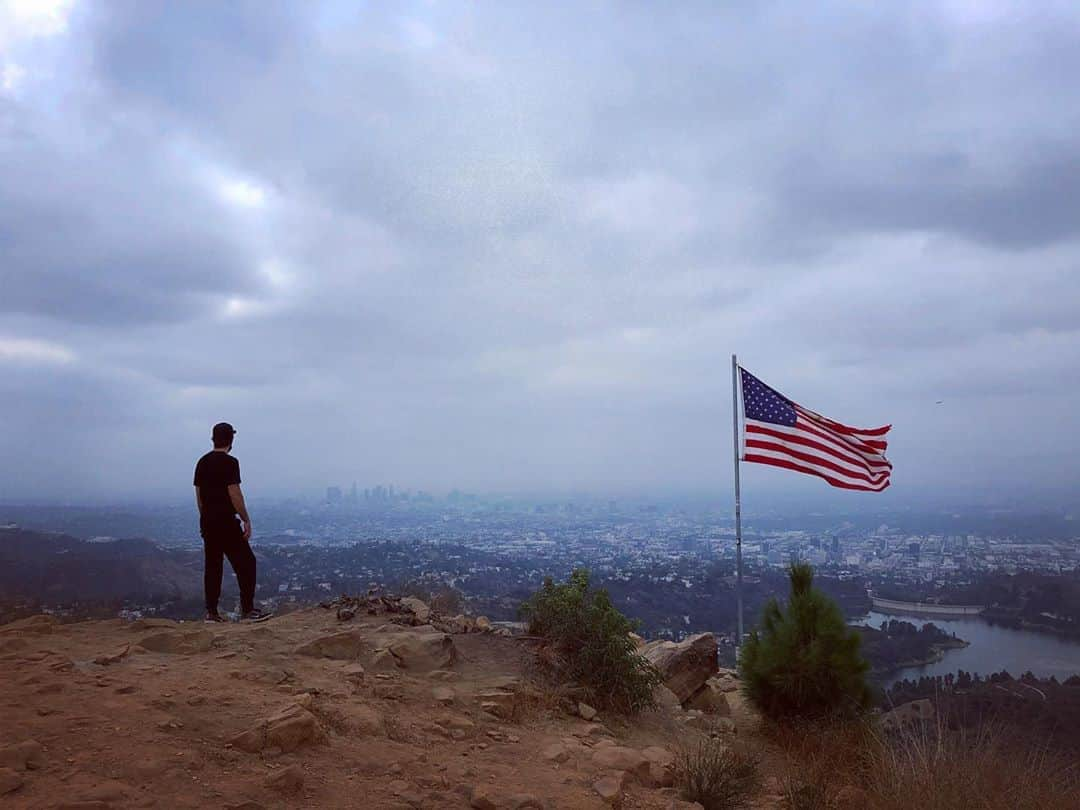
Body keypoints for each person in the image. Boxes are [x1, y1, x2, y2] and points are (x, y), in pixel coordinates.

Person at [193, 422, 272, 623]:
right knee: (247, 563)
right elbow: (234, 493)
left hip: (208, 522)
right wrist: (245, 519)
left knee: (213, 567)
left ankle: (211, 613)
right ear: (231, 440)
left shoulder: (202, 462)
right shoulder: (230, 463)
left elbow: (199, 496)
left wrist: (206, 517)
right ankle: (248, 610)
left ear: (213, 439)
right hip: (226, 523)